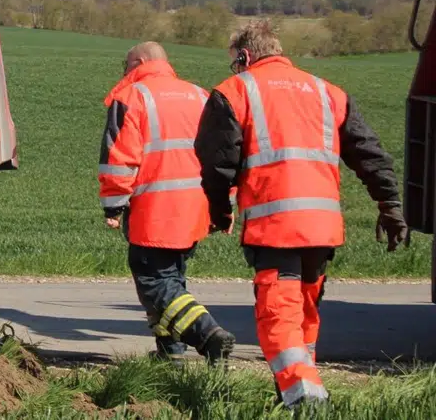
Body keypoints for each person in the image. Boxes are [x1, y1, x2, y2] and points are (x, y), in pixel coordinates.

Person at [194, 20, 409, 410]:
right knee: (304, 315)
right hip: (322, 229)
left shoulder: (236, 91)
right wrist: (389, 204)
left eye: (235, 61)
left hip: (275, 227)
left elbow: (215, 162)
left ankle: (307, 402)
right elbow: (369, 152)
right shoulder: (328, 92)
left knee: (278, 320)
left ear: (244, 56)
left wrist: (219, 209)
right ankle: (296, 392)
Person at [99, 41, 237, 362]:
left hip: (156, 212)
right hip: (197, 210)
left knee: (155, 284)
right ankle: (170, 353)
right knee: (172, 280)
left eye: (127, 63)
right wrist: (223, 206)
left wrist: (113, 205)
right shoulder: (201, 96)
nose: (124, 70)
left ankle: (209, 335)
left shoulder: (132, 97)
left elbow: (119, 157)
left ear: (142, 61)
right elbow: (225, 155)